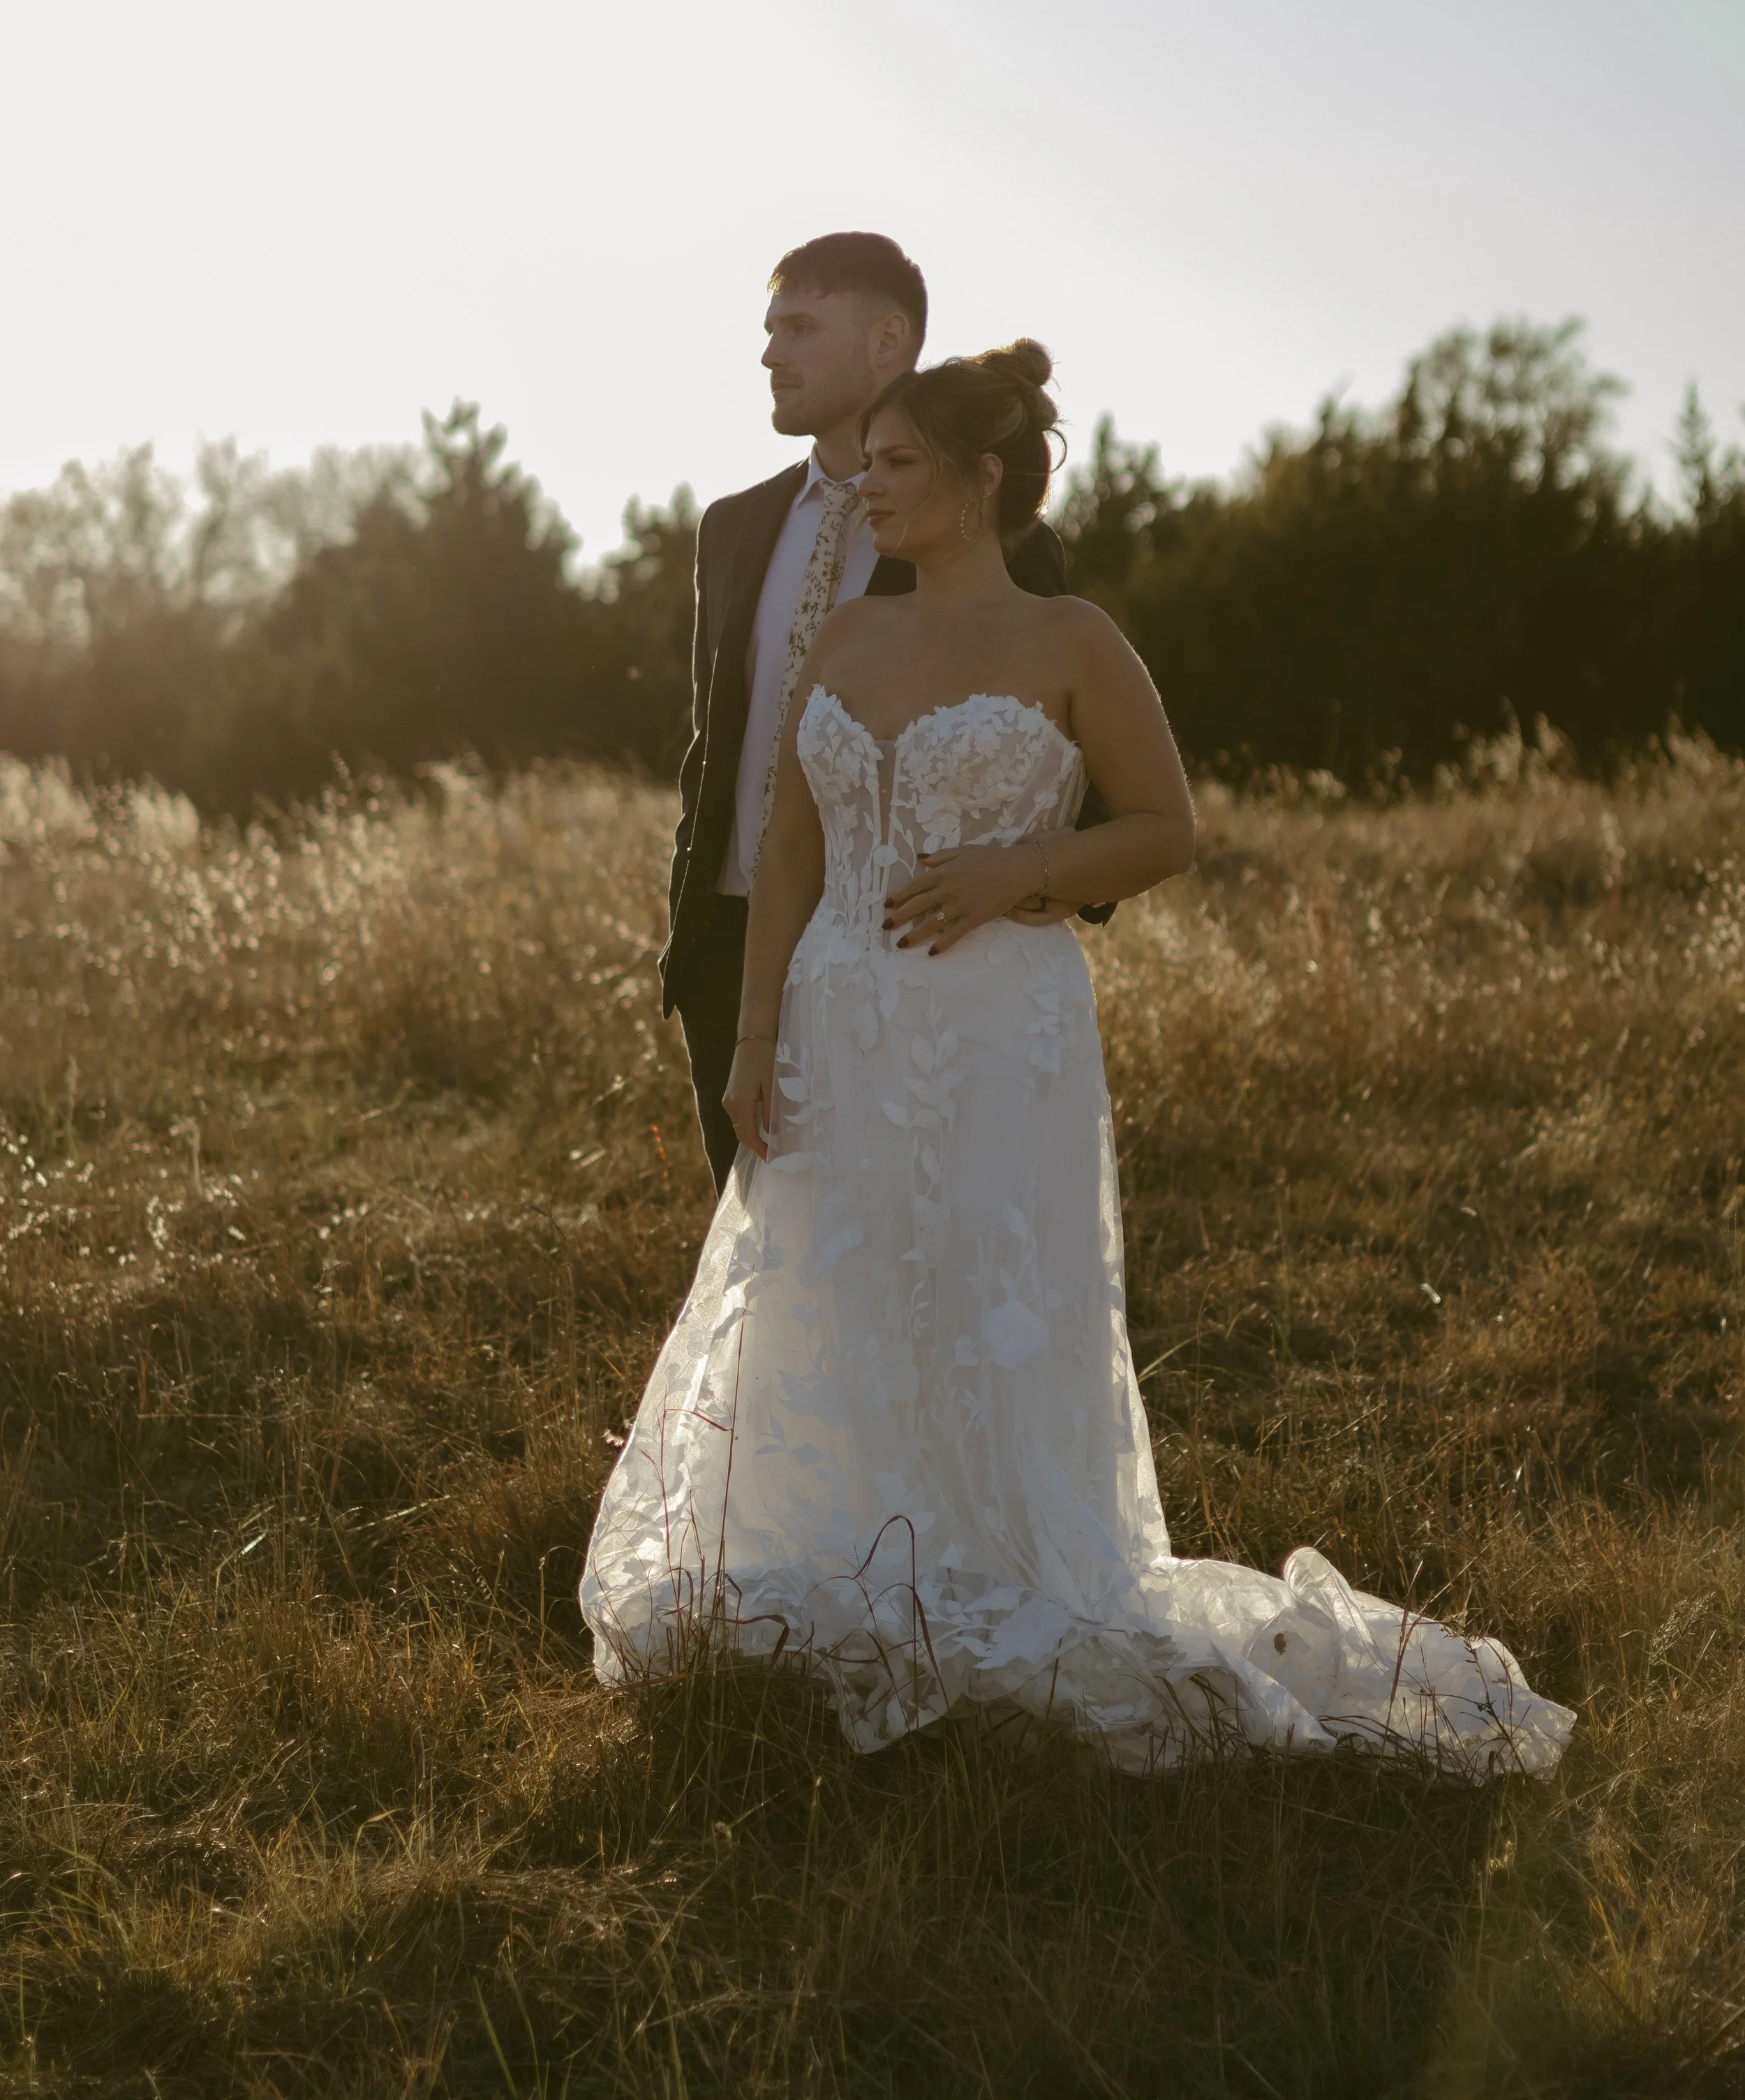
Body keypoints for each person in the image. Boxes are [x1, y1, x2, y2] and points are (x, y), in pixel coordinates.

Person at [582, 344, 1575, 1777]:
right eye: (866, 462)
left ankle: (1016, 1558)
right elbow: (793, 841)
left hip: (1000, 1023)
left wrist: (1018, 867)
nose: (868, 485)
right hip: (837, 1015)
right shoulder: (848, 638)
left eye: (900, 463)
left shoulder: (1071, 640)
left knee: (990, 1283)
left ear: (982, 483)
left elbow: (1164, 828)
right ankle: (844, 1548)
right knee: (835, 1283)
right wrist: (752, 1038)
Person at [660, 230, 1109, 1197]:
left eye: (800, 326)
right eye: (768, 329)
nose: (771, 353)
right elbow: (716, 745)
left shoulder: (994, 540)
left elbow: (1075, 769)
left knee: (919, 1257)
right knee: (775, 1282)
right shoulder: (733, 528)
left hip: (911, 953)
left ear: (889, 339)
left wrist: (1019, 894)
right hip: (736, 945)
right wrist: (694, 949)